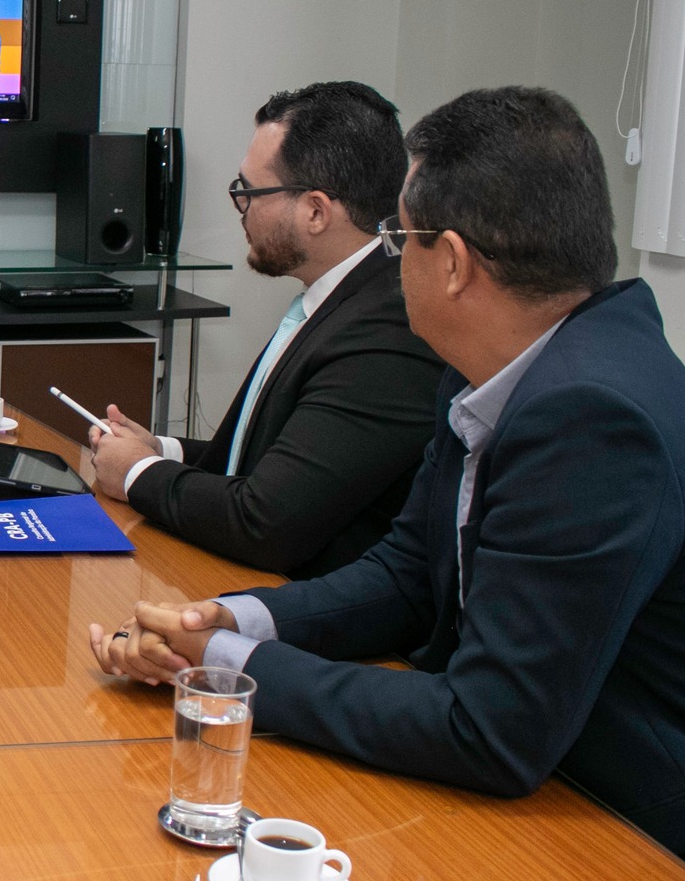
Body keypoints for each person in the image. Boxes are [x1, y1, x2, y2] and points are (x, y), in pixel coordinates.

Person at [90, 87, 685, 881]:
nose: (386, 257)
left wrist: (234, 669)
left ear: (453, 263)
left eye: (399, 237)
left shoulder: (597, 418)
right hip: (561, 792)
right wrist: (229, 619)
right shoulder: (492, 365)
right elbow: (409, 572)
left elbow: (490, 730)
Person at [86, 82, 445, 577]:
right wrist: (159, 450)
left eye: (248, 192)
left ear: (316, 211)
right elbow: (254, 463)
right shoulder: (339, 299)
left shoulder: (386, 331)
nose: (242, 210)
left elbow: (267, 520)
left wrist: (136, 473)